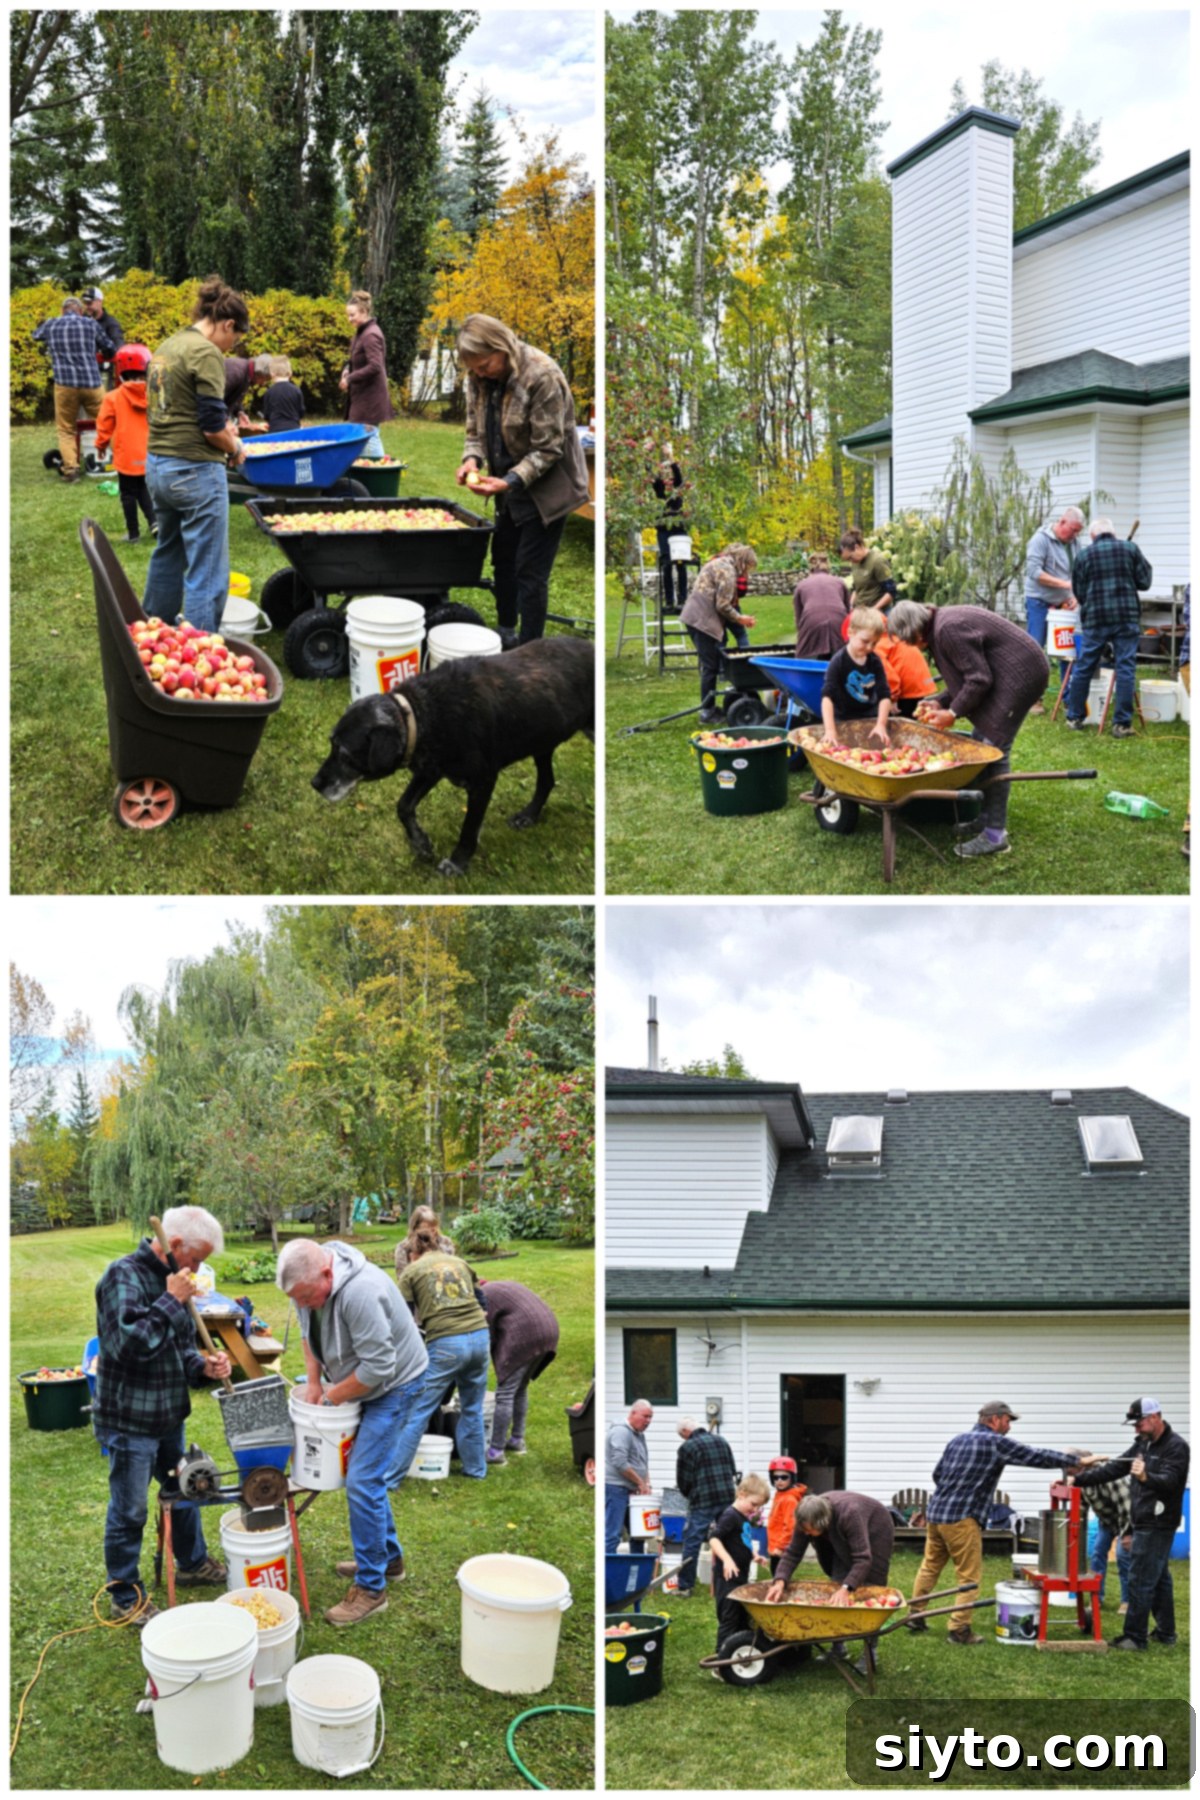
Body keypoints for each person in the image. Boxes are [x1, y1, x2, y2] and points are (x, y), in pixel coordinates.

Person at [277, 1237, 429, 1627]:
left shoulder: (362, 1292)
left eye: (308, 1297)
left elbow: (381, 1368)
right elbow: (311, 1336)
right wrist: (313, 1383)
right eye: (299, 1299)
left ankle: (372, 1588)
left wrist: (332, 1397)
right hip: (363, 1380)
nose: (304, 1304)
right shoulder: (305, 1283)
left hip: (397, 1385)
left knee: (362, 1479)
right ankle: (387, 1559)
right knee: (368, 1476)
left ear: (327, 1273)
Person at [92, 1205, 233, 1625]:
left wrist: (203, 1366)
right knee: (130, 1509)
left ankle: (190, 1564)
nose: (198, 1268)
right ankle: (124, 1594)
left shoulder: (180, 1286)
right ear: (173, 1246)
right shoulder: (124, 1276)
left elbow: (181, 1349)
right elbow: (129, 1347)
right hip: (130, 1422)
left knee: (188, 1489)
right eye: (195, 1259)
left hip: (169, 1416)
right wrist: (172, 1298)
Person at [454, 313, 589, 644]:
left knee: (530, 571)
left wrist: (510, 480)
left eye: (485, 365)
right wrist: (471, 459)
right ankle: (505, 633)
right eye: (474, 369)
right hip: (507, 483)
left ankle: (531, 652)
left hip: (547, 488)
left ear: (502, 347)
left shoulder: (542, 376)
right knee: (503, 559)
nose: (480, 374)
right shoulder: (477, 376)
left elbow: (549, 449)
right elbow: (475, 430)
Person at [888, 599, 1051, 860]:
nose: (911, 647)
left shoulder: (947, 630)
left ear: (917, 631)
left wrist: (952, 713)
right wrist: (939, 701)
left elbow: (979, 679)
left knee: (993, 748)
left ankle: (995, 836)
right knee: (979, 741)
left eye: (909, 641)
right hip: (1004, 672)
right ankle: (985, 817)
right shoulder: (938, 627)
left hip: (1022, 674)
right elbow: (964, 678)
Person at [908, 1402, 1071, 1645]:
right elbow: (1034, 1456)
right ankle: (959, 1629)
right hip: (962, 1518)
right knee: (969, 1576)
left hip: (936, 1514)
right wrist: (1071, 1460)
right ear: (994, 1420)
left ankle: (915, 1615)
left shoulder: (957, 1440)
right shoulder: (995, 1442)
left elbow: (937, 1475)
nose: (1009, 1427)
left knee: (930, 1566)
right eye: (1007, 1421)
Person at [143, 275, 250, 633]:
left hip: (158, 467)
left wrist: (223, 430)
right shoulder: (206, 352)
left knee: (168, 552)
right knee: (207, 567)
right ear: (228, 324)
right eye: (233, 340)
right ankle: (199, 650)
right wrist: (234, 446)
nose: (229, 348)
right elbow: (210, 428)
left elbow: (181, 412)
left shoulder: (167, 346)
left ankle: (154, 634)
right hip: (195, 472)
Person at [1071, 1398, 1189, 1652]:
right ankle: (1166, 1632)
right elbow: (1115, 1469)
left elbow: (1171, 1481)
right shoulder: (1142, 1443)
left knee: (1140, 1578)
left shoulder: (1176, 1447)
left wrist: (1146, 1476)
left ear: (1156, 1416)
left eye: (1139, 1423)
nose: (1136, 1429)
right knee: (1159, 1579)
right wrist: (1078, 1480)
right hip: (1142, 1518)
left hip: (1158, 1521)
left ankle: (1135, 1637)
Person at [389, 1225, 491, 1485]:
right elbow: (482, 1301)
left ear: (413, 1252)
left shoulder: (411, 1272)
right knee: (472, 1408)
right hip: (480, 1338)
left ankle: (390, 1478)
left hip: (447, 1343)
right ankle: (476, 1470)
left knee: (419, 1411)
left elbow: (405, 1321)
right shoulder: (460, 1262)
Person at [1064, 519, 1153, 739]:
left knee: (1085, 665)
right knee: (1125, 667)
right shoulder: (1130, 549)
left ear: (1093, 537)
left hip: (1096, 618)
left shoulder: (1084, 556)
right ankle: (1121, 724)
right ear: (1112, 534)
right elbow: (1145, 582)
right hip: (1126, 617)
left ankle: (1074, 717)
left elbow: (1080, 592)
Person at [476, 1277, 559, 1465]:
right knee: (520, 1388)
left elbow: (487, 1336)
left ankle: (495, 1451)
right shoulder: (503, 1286)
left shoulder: (484, 1297)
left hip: (526, 1335)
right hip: (549, 1330)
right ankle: (516, 1440)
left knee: (504, 1393)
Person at [32, 296, 115, 482]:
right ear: (80, 310)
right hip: (92, 384)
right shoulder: (90, 324)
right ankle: (124, 460)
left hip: (65, 386)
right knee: (108, 423)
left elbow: (35, 335)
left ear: (63, 310)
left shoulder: (52, 324)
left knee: (66, 429)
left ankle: (71, 471)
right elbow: (109, 347)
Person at [767, 1491, 896, 1605]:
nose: (805, 1533)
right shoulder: (805, 1517)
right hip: (841, 1523)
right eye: (803, 1529)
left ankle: (869, 1620)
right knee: (839, 1577)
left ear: (823, 1524)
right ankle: (841, 1614)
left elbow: (863, 1559)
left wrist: (846, 1588)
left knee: (871, 1579)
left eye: (809, 1530)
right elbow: (793, 1553)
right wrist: (780, 1580)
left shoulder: (849, 1514)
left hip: (877, 1525)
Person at [679, 544, 758, 723]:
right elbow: (722, 605)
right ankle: (707, 712)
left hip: (696, 616)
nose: (748, 573)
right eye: (750, 567)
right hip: (701, 620)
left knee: (711, 664)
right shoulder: (728, 571)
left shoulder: (721, 563)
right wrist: (740, 619)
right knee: (710, 667)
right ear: (743, 562)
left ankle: (710, 708)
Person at [93, 344, 156, 544]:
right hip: (150, 453)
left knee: (128, 494)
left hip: (126, 455)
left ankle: (133, 533)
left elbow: (104, 425)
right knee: (144, 488)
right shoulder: (154, 395)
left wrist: (101, 446)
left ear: (120, 370)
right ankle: (155, 522)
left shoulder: (113, 397)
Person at [1023, 506, 1084, 711]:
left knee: (1067, 649)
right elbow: (1033, 571)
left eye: (1078, 531)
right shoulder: (1040, 540)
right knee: (1035, 649)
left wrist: (1074, 595)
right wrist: (1066, 585)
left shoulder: (1075, 543)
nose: (1075, 535)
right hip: (1039, 602)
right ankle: (1033, 699)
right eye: (1073, 530)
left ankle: (1069, 698)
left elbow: (1079, 571)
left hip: (1064, 603)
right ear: (1062, 522)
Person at [709, 1473, 771, 1665]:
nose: (755, 1510)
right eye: (754, 1504)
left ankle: (740, 1649)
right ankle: (722, 1661)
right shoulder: (730, 1515)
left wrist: (754, 1555)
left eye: (759, 1507)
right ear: (742, 1494)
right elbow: (714, 1538)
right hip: (727, 1578)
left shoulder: (742, 1517)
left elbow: (741, 1542)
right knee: (729, 1617)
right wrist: (727, 1560)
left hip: (740, 1577)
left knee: (741, 1616)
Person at [673, 1416, 738, 1597]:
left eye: (682, 1436)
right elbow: (732, 1469)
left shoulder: (687, 1447)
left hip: (703, 1500)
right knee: (729, 1537)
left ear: (686, 1432)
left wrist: (689, 1495)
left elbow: (683, 1481)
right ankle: (733, 1579)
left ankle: (685, 1586)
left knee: (692, 1540)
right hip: (726, 1496)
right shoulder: (722, 1440)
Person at [1065, 1446, 1132, 1611]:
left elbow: (1127, 1506)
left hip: (1128, 1520)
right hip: (1107, 1522)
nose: (1065, 1471)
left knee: (1124, 1559)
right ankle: (1097, 1599)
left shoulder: (1109, 1476)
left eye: (1068, 1467)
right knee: (1097, 1555)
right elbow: (1080, 1507)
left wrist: (1127, 1535)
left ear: (1081, 1465)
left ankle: (1127, 1601)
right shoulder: (1079, 1479)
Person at [820, 606, 892, 746]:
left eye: (875, 643)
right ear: (850, 633)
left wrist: (881, 724)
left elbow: (884, 696)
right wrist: (830, 730)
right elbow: (827, 697)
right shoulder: (838, 662)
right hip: (844, 721)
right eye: (865, 641)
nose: (870, 647)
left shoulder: (875, 661)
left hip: (870, 719)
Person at [341, 291, 394, 459]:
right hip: (362, 397)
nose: (349, 319)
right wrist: (347, 369)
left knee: (369, 436)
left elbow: (375, 366)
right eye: (348, 315)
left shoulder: (371, 335)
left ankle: (380, 474)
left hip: (370, 399)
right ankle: (366, 471)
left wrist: (350, 379)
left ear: (364, 312)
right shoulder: (361, 332)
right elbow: (358, 359)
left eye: (352, 315)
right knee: (361, 436)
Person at [605, 1400, 654, 1552]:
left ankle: (636, 1569)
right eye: (645, 1416)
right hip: (615, 1489)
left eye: (650, 1417)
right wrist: (640, 1483)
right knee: (613, 1533)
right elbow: (620, 1462)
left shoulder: (639, 1435)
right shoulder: (621, 1432)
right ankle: (608, 1570)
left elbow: (642, 1463)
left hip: (632, 1491)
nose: (648, 1421)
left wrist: (647, 1484)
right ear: (633, 1413)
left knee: (638, 1533)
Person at [793, 553, 850, 660]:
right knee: (844, 659)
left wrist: (802, 637)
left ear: (810, 568)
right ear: (828, 567)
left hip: (812, 620)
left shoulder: (801, 586)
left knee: (802, 659)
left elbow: (799, 618)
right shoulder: (839, 582)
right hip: (839, 620)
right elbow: (848, 611)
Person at [653, 455, 688, 610]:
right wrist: (652, 462)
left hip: (679, 530)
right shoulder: (660, 492)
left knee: (681, 564)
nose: (667, 478)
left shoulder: (678, 489)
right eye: (664, 474)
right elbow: (654, 479)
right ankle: (669, 601)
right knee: (666, 565)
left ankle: (682, 599)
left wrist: (671, 458)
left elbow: (679, 477)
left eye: (669, 474)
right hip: (663, 531)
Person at [765, 1456, 807, 1577]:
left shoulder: (789, 1499)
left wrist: (780, 1547)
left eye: (784, 1477)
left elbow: (790, 1527)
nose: (779, 1481)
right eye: (775, 1477)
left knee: (779, 1578)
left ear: (792, 1478)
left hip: (781, 1549)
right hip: (774, 1547)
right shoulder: (780, 1495)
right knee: (776, 1576)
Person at [839, 529, 896, 610]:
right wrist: (851, 605)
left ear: (857, 547)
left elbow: (891, 592)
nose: (850, 561)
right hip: (861, 612)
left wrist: (874, 610)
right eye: (848, 559)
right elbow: (857, 589)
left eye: (850, 557)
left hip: (878, 613)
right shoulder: (855, 562)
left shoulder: (877, 561)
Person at [394, 1205, 456, 1273]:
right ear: (416, 1228)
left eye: (434, 1226)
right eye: (428, 1227)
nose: (433, 1230)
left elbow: (451, 1271)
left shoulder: (445, 1242)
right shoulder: (403, 1248)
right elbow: (402, 1277)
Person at [223, 352, 273, 434]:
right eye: (265, 379)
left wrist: (240, 413)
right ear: (260, 373)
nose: (263, 383)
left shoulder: (247, 376)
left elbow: (234, 397)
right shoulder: (236, 372)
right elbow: (213, 398)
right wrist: (225, 421)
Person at [260, 355, 305, 434]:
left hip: (275, 430)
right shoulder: (296, 390)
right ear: (290, 373)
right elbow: (301, 412)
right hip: (294, 429)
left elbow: (267, 415)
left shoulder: (269, 392)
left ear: (272, 374)